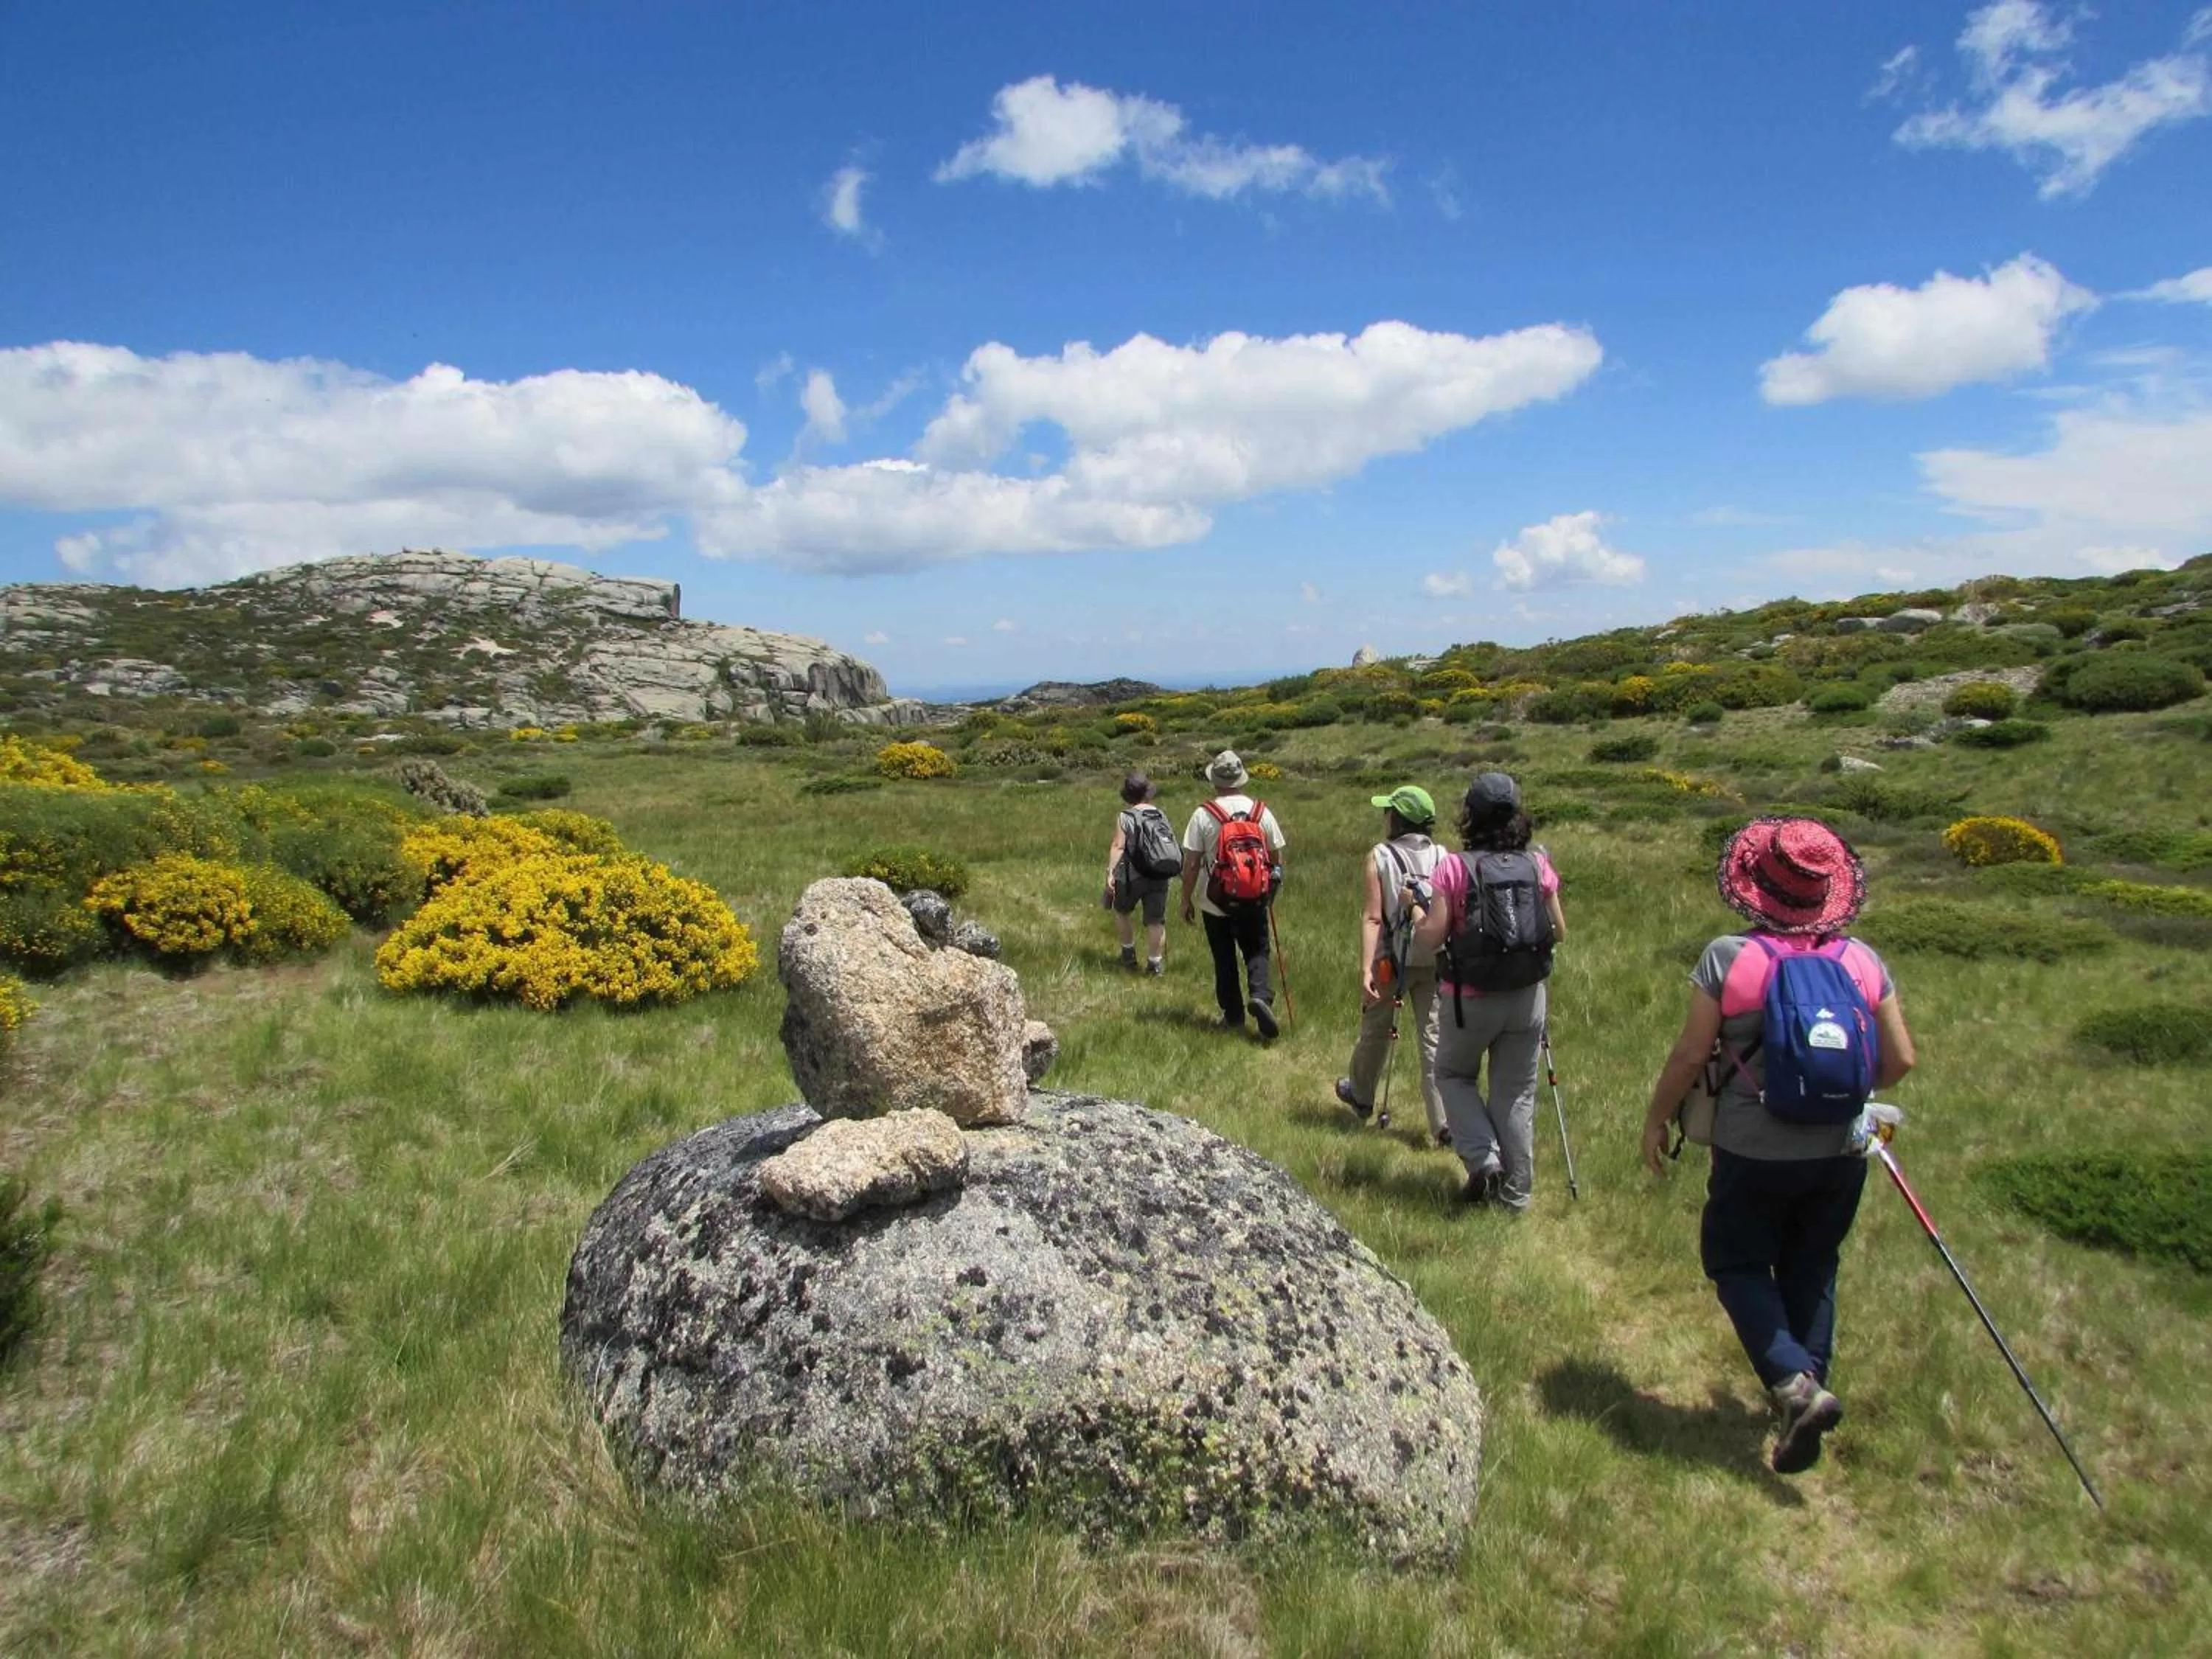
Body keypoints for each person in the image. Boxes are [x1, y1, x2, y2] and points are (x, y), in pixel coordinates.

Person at [1638, 816, 1917, 1475]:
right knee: (1815, 1263)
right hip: (1843, 1147)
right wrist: (1839, 1086)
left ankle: (1794, 1387)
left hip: (1752, 1145)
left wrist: (1657, 1119)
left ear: (1756, 885)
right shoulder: (1862, 960)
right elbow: (1901, 1058)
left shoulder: (1731, 958)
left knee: (1735, 1261)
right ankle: (1805, 1389)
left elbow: (1689, 1055)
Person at [1408, 772, 1565, 1211]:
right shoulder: (1538, 864)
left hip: (1469, 997)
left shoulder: (1454, 867)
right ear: (1517, 815)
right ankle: (1515, 1198)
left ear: (1469, 816)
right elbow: (1560, 931)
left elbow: (1430, 937)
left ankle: (1483, 1159)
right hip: (1527, 994)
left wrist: (1417, 909)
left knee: (1453, 1076)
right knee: (1516, 1093)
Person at [1335, 785, 1448, 1143]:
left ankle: (1362, 1096)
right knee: (1435, 1040)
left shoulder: (1380, 856)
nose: (1385, 816)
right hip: (1435, 958)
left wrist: (1365, 967)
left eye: (1388, 811)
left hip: (1391, 961)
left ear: (1398, 819)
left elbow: (1373, 918)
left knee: (1376, 1032)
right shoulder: (1444, 856)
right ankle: (1443, 1123)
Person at [1179, 750, 1287, 1038]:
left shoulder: (1204, 814)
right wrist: (1270, 891)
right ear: (1241, 779)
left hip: (1214, 900)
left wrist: (1185, 899)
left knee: (1224, 957)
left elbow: (1190, 864)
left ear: (1215, 781)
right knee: (1257, 951)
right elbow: (1276, 858)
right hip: (1254, 898)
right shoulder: (1261, 812)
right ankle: (1261, 996)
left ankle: (1233, 1016)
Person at [1102, 771, 1172, 975]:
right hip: (1159, 873)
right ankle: (1155, 964)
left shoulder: (1126, 816)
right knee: (1155, 920)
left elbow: (1118, 846)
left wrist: (1110, 873)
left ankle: (1128, 956)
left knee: (1122, 911)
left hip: (1131, 876)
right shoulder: (1159, 814)